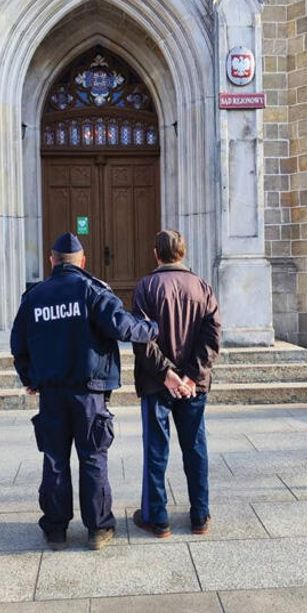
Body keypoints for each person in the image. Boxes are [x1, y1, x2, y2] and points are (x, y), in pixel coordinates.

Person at [10, 233, 159, 551]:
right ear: (83, 261)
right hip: (89, 391)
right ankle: (98, 529)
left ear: (52, 261)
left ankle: (55, 530)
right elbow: (121, 326)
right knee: (92, 458)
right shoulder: (92, 291)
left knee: (54, 460)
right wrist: (153, 328)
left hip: (51, 392)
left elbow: (18, 344)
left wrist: (30, 377)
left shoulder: (34, 297)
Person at [131, 229, 221, 538]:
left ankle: (158, 519)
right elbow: (212, 338)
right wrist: (190, 376)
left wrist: (167, 374)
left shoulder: (146, 287)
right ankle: (200, 516)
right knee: (195, 448)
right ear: (183, 252)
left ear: (156, 254)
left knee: (156, 450)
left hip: (158, 384)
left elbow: (142, 340)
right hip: (192, 386)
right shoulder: (202, 287)